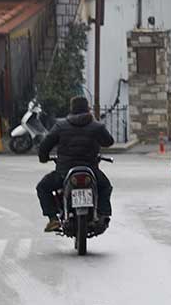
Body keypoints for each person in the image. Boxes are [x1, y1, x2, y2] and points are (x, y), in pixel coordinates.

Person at [35, 95, 113, 230]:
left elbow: (45, 145)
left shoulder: (61, 125)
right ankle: (103, 214)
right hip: (91, 171)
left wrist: (44, 158)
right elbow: (109, 142)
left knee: (42, 187)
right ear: (87, 108)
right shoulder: (96, 126)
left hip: (64, 172)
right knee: (105, 186)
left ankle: (53, 218)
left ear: (71, 109)